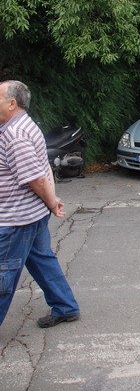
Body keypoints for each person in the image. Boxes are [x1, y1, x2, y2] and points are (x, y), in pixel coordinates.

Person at [0, 80, 80, 328]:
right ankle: (65, 306)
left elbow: (35, 178)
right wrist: (50, 200)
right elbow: (41, 167)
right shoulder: (22, 124)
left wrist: (51, 201)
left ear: (12, 103)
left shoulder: (16, 134)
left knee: (4, 274)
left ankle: (65, 306)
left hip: (17, 220)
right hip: (30, 214)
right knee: (42, 260)